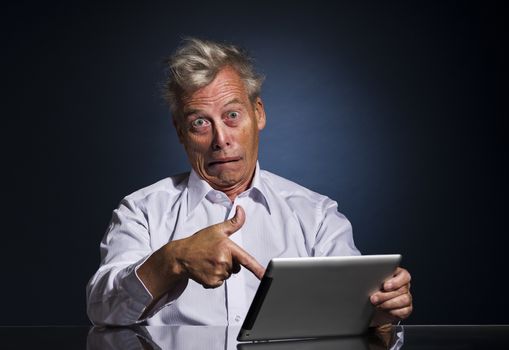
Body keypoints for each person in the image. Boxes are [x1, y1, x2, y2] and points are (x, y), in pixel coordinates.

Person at [86, 37, 413, 327]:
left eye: (231, 115)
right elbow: (102, 309)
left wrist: (379, 316)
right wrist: (172, 260)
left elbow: (357, 320)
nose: (221, 139)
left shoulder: (316, 215)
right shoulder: (142, 210)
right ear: (180, 132)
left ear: (258, 114)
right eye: (200, 122)